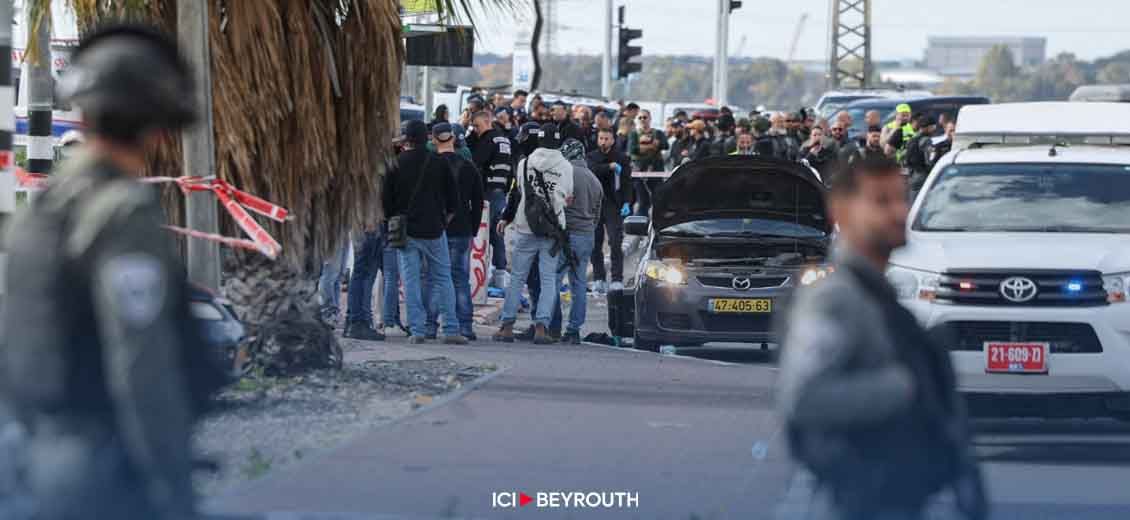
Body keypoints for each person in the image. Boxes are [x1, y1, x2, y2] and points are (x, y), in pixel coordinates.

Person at [3, 24, 222, 519]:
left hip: (31, 461)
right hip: (103, 470)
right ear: (159, 125)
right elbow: (140, 362)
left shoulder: (40, 211)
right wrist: (172, 485)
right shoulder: (123, 211)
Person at [777, 155, 987, 520]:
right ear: (840, 212)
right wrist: (905, 385)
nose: (897, 212)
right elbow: (807, 396)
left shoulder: (877, 293)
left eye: (901, 198)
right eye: (881, 201)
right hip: (856, 499)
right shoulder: (836, 297)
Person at [384, 120, 467, 345]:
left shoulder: (396, 164)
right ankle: (451, 329)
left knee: (410, 281)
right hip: (434, 230)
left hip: (407, 231)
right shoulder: (439, 163)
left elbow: (386, 202)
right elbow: (453, 200)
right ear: (427, 138)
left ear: (406, 140)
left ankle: (417, 330)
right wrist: (443, 221)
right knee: (443, 278)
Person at [494, 125, 575, 344]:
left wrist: (506, 217)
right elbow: (568, 198)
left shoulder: (524, 164)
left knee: (517, 278)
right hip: (552, 230)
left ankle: (507, 326)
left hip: (525, 228)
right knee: (548, 280)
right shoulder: (566, 167)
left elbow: (518, 193)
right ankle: (541, 327)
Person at [422, 123, 484, 341]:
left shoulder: (429, 165)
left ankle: (429, 325)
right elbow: (478, 201)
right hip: (463, 228)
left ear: (434, 139)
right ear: (454, 139)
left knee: (433, 277)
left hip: (435, 228)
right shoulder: (468, 166)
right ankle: (465, 325)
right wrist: (473, 228)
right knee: (460, 277)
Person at [557, 138, 602, 344]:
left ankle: (551, 326)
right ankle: (574, 330)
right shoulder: (594, 180)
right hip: (586, 236)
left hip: (566, 235)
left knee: (554, 280)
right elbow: (596, 214)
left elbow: (558, 206)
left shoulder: (565, 174)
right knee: (579, 283)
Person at [468, 110, 513, 284]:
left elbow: (475, 161)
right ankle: (500, 271)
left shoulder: (488, 139)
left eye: (477, 126)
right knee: (497, 233)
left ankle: (481, 274)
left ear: (487, 122)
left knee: (482, 233)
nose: (476, 130)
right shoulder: (503, 139)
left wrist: (471, 137)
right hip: (501, 192)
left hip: (487, 192)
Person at [587, 127, 632, 293]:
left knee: (615, 241)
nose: (603, 142)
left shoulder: (622, 157)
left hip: (613, 205)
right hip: (595, 205)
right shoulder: (592, 156)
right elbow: (591, 170)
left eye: (606, 138)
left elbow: (627, 182)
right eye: (601, 138)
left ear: (613, 140)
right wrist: (609, 167)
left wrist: (627, 202)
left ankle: (617, 279)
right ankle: (599, 278)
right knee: (595, 243)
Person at [627, 109, 666, 215]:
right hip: (639, 171)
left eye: (645, 117)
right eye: (640, 117)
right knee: (643, 201)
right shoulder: (634, 134)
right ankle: (640, 226)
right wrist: (653, 146)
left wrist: (643, 147)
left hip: (656, 170)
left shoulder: (658, 133)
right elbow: (632, 150)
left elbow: (664, 145)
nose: (643, 119)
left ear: (650, 118)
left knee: (658, 200)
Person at [904, 114, 939, 199]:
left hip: (912, 174)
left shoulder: (912, 139)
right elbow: (929, 160)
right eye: (933, 127)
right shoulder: (927, 140)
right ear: (928, 127)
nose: (934, 129)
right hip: (922, 175)